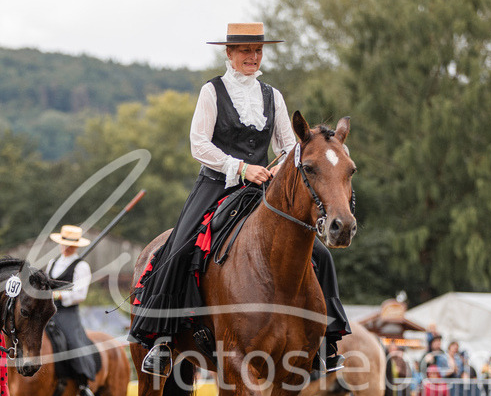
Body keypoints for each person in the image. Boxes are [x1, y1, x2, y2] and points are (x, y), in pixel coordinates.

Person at [128, 22, 350, 377]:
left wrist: (287, 167)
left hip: (262, 189)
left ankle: (327, 340)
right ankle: (161, 337)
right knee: (178, 249)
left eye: (258, 50)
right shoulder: (211, 91)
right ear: (229, 54)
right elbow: (198, 144)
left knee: (318, 252)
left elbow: (287, 146)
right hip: (217, 183)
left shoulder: (272, 95)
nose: (252, 56)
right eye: (245, 50)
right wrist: (241, 168)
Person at [45, 225, 99, 396]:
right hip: (49, 310)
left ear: (76, 246)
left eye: (70, 244)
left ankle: (83, 385)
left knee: (72, 342)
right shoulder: (53, 262)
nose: (66, 247)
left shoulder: (81, 266)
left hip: (68, 312)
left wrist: (58, 295)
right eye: (64, 243)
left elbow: (79, 294)